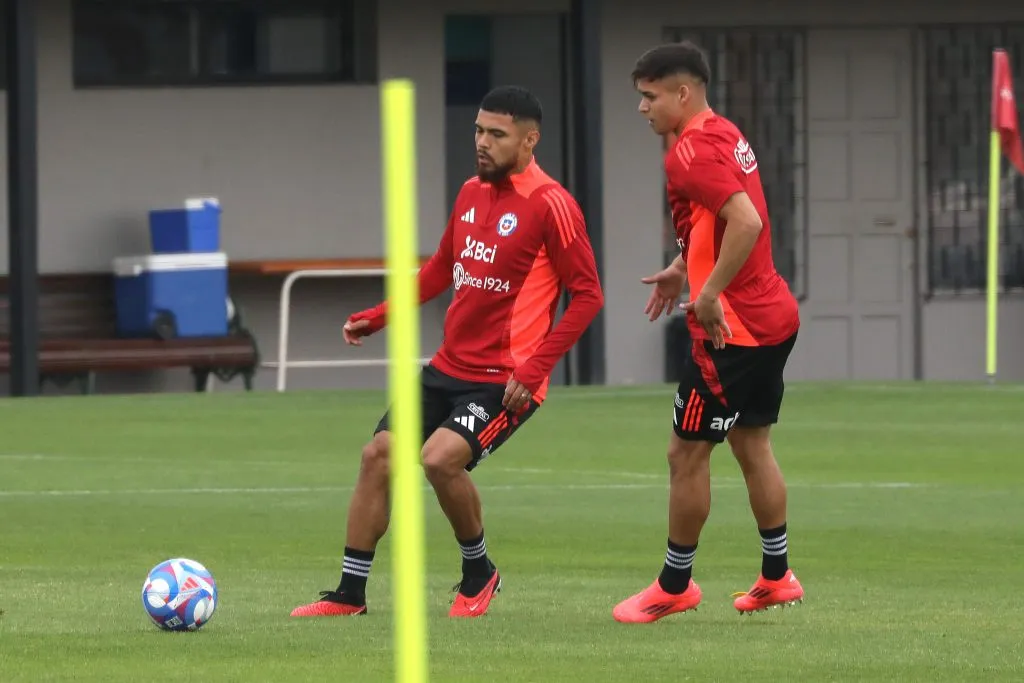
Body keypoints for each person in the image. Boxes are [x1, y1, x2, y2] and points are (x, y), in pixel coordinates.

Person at [290, 85, 604, 619]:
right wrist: (378, 315)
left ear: (530, 141)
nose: (482, 143)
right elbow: (440, 267)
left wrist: (536, 368)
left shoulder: (553, 205)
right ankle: (349, 594)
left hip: (506, 378)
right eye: (479, 131)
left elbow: (588, 295)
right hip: (446, 367)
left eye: (496, 135)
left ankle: (478, 572)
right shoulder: (470, 192)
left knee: (438, 458)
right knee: (378, 457)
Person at [612, 42, 804, 623]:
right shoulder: (722, 131)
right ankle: (777, 576)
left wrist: (710, 292)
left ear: (683, 93)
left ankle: (675, 584)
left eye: (649, 97)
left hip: (732, 332)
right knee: (751, 444)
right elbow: (716, 217)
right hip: (774, 315)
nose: (642, 108)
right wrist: (683, 267)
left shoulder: (687, 152)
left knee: (685, 454)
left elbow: (746, 221)